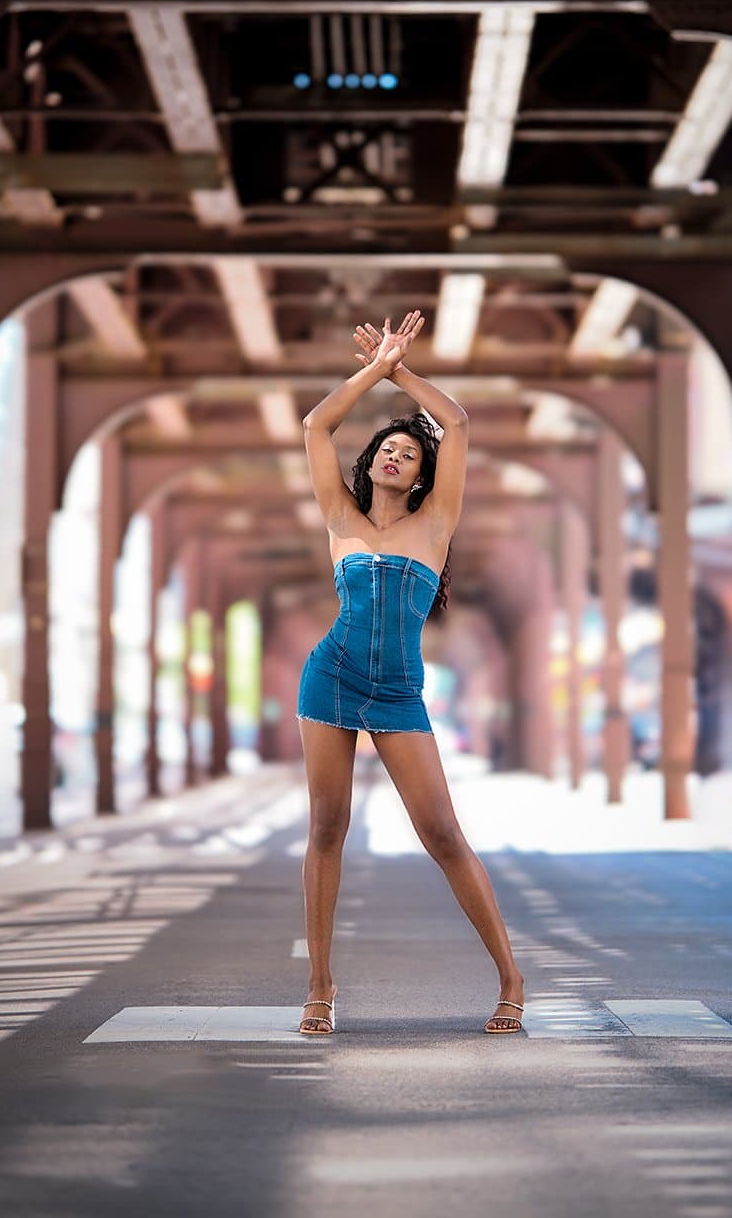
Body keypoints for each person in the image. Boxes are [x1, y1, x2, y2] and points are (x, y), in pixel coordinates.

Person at [296, 308, 525, 1037]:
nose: (396, 455)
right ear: (371, 464)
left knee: (443, 834)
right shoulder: (341, 517)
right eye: (387, 449)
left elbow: (454, 423)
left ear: (424, 475)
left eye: (407, 453)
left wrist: (399, 372)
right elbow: (313, 428)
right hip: (328, 679)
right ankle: (320, 987)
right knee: (327, 826)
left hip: (397, 693)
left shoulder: (435, 526)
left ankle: (511, 979)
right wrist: (368, 373)